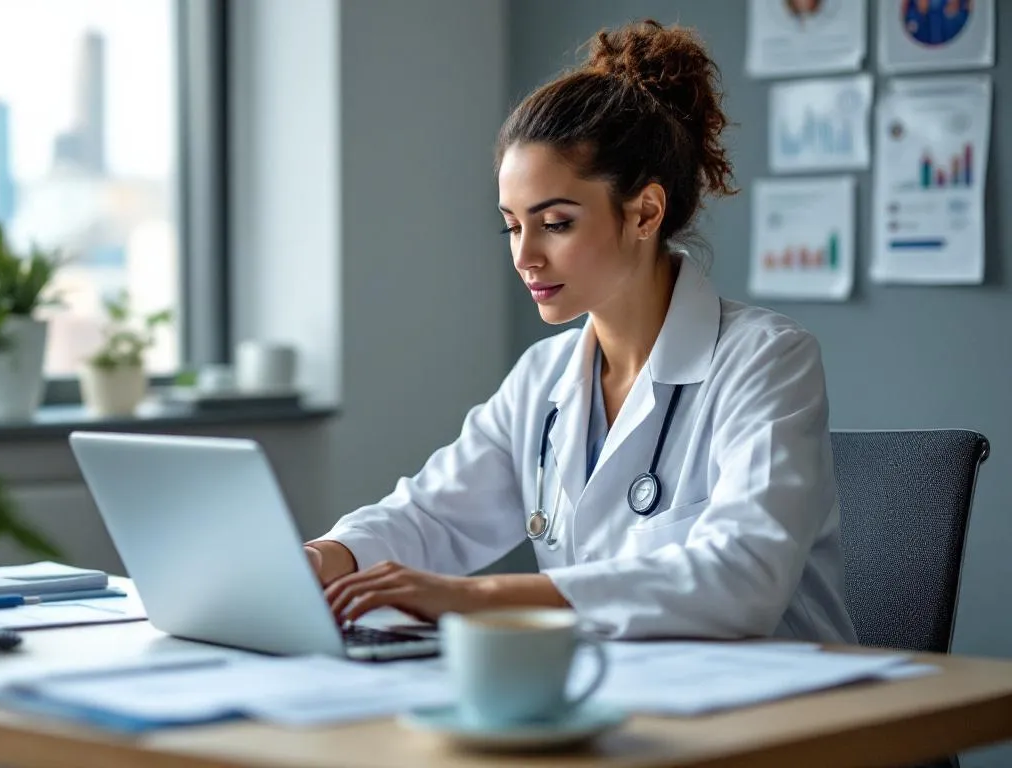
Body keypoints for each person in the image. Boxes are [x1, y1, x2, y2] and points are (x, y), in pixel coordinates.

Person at [303, 19, 858, 644]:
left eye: (556, 223)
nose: (524, 256)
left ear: (645, 212)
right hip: (625, 705)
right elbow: (432, 515)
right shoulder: (542, 379)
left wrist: (475, 598)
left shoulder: (766, 359)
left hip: (789, 714)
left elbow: (742, 579)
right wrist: (327, 556)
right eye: (513, 225)